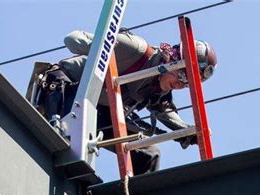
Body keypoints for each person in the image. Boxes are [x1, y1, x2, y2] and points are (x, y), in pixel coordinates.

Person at [32, 29, 217, 174]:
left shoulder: (159, 89)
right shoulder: (136, 50)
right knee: (72, 140)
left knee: (148, 154)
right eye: (183, 75)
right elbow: (72, 39)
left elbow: (167, 114)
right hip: (69, 90)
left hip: (99, 110)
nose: (180, 84)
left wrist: (190, 132)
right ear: (173, 59)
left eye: (187, 84)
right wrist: (103, 47)